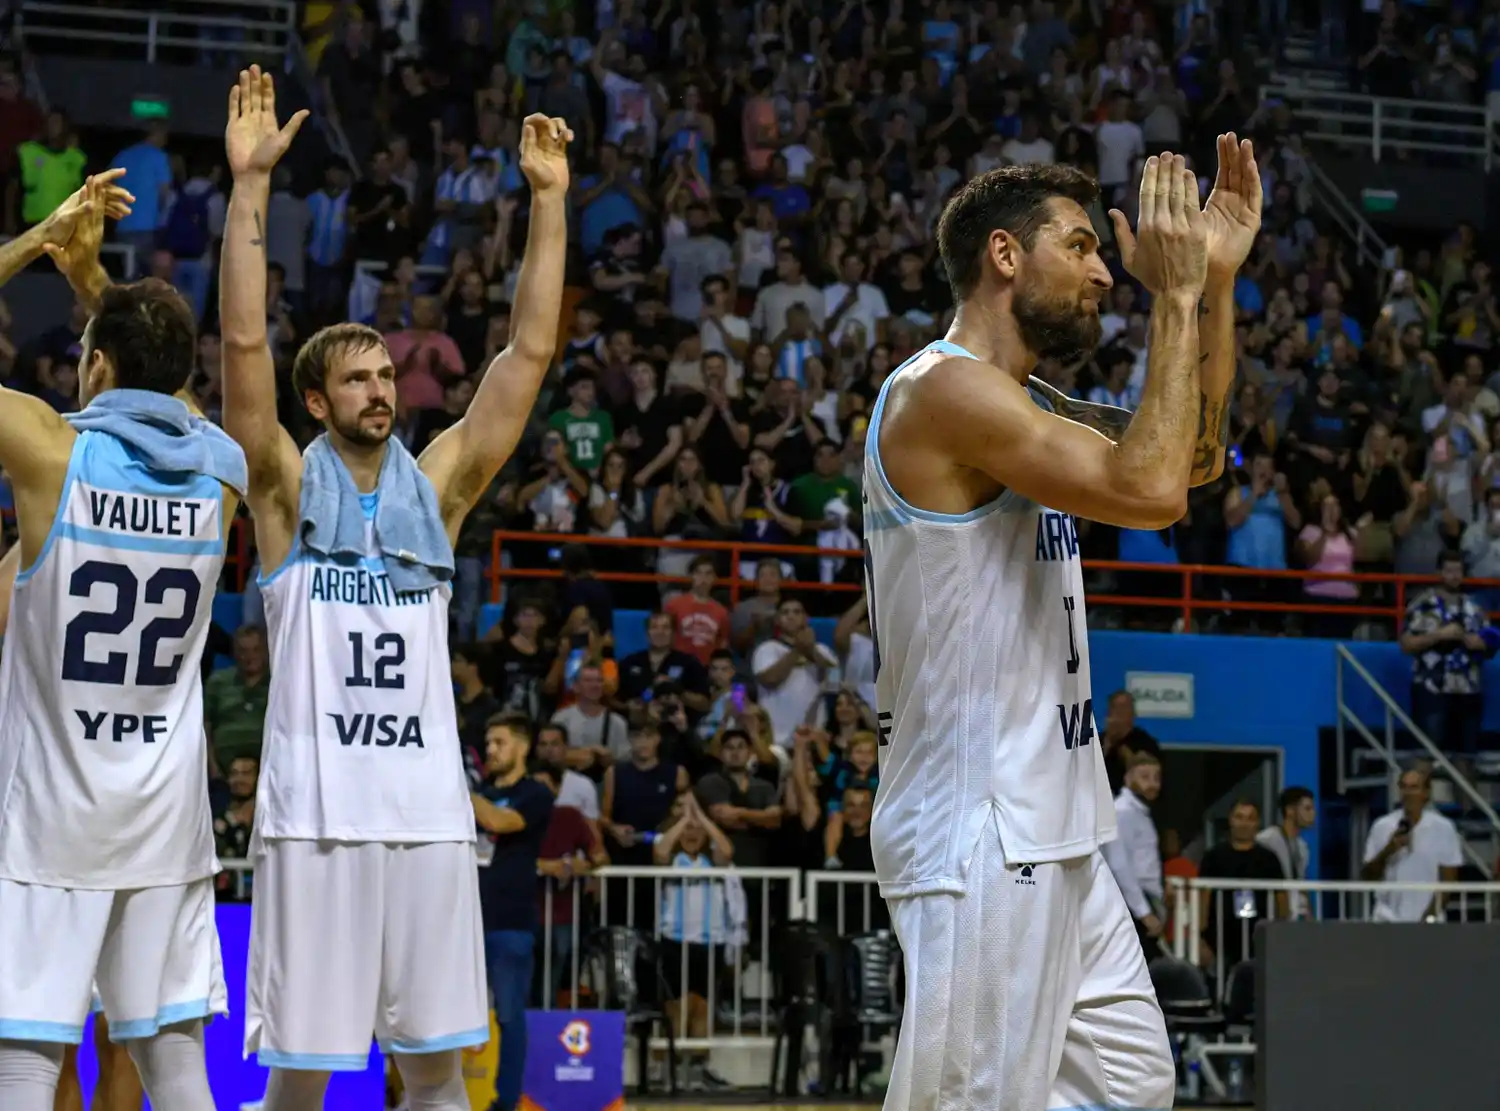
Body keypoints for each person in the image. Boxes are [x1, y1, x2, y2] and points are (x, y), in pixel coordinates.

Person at [864, 134, 1261, 1111]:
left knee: (1128, 1087)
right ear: (1007, 255)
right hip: (982, 826)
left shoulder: (1025, 402)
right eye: (1080, 246)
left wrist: (1209, 288)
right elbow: (1154, 487)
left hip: (1059, 822)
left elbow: (1196, 459)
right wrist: (1169, 296)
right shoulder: (941, 388)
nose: (1101, 271)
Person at [215, 66, 572, 1111]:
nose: (384, 386)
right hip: (318, 818)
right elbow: (243, 348)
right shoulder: (283, 490)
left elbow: (530, 352)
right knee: (301, 1079)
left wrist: (547, 205)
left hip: (423, 812)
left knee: (437, 1078)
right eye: (359, 376)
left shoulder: (440, 488)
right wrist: (250, 189)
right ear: (318, 398)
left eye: (388, 373)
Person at [0, 169, 247, 1111]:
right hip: (162, 814)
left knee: (25, 1050)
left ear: (91, 365)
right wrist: (100, 290)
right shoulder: (218, 472)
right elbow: (162, 383)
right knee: (172, 1051)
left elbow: (140, 370)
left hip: (52, 812)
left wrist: (41, 242)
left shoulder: (48, 450)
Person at [470, 714, 554, 1111]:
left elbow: (499, 821)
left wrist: (458, 790)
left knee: (508, 1014)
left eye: (499, 742)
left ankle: (505, 1102)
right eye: (488, 743)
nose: (491, 750)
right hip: (468, 920)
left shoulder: (534, 793)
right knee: (454, 1012)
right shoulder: (482, 790)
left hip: (510, 920)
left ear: (523, 747)